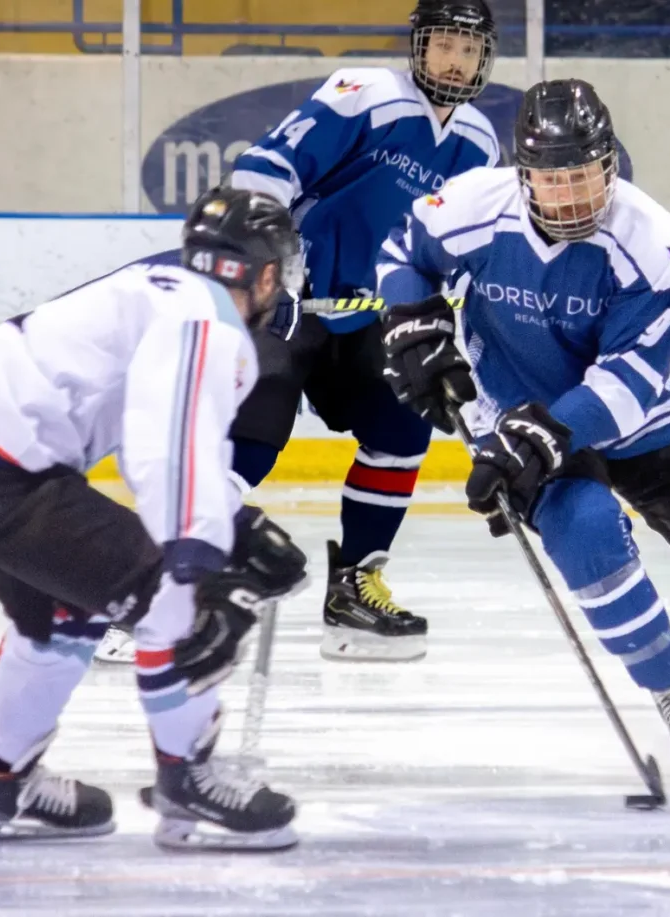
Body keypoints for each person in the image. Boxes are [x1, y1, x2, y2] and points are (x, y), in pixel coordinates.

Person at [375, 79, 670, 769]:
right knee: (588, 535)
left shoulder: (655, 241)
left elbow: (629, 380)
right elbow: (404, 252)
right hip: (515, 410)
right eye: (553, 179)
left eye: (584, 175)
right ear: (523, 176)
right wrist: (413, 322)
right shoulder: (474, 205)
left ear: (610, 164)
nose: (572, 195)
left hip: (643, 418)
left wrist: (543, 435)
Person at [0, 187, 312, 851]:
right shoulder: (207, 319)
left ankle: (3, 783)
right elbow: (169, 441)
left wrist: (231, 523)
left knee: (62, 616)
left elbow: (147, 431)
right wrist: (198, 556)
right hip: (6, 473)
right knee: (175, 602)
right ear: (267, 273)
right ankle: (189, 781)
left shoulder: (163, 290)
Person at [190, 0, 500, 665]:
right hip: (291, 301)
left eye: (468, 50)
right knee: (252, 431)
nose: (454, 59)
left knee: (402, 426)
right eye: (443, 43)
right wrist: (273, 273)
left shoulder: (479, 144)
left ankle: (355, 586)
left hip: (369, 315)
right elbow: (263, 172)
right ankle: (175, 584)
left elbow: (459, 245)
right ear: (418, 47)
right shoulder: (367, 94)